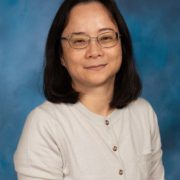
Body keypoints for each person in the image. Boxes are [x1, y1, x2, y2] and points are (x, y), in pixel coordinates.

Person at [14, 0, 165, 179]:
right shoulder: (45, 125)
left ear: (121, 45)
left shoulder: (143, 113)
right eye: (79, 41)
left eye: (106, 37)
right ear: (61, 55)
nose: (94, 51)